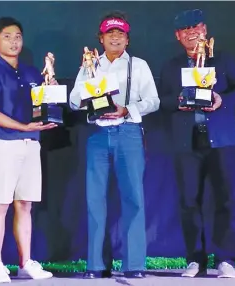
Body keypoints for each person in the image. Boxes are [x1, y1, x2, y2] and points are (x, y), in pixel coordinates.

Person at [158, 9, 235, 278]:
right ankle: (195, 259)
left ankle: (226, 259)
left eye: (196, 27)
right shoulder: (172, 66)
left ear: (205, 30)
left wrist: (223, 100)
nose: (192, 33)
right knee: (189, 201)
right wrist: (178, 102)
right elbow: (161, 100)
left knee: (227, 199)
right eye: (185, 30)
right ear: (178, 36)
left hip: (222, 139)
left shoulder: (222, 60)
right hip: (187, 139)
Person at [69, 11, 160, 279]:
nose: (116, 37)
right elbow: (74, 100)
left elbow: (153, 101)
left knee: (133, 197)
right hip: (97, 135)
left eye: (120, 33)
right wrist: (88, 99)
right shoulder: (89, 65)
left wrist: (126, 109)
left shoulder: (139, 66)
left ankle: (134, 265)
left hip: (128, 133)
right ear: (101, 38)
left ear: (127, 40)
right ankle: (96, 265)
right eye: (110, 33)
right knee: (94, 199)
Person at [0, 16, 56, 284]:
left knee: (25, 204)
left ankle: (26, 263)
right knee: (1, 205)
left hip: (31, 144)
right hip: (3, 144)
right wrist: (23, 127)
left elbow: (43, 106)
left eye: (18, 36)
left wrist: (51, 93)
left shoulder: (33, 72)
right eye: (8, 37)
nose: (14, 41)